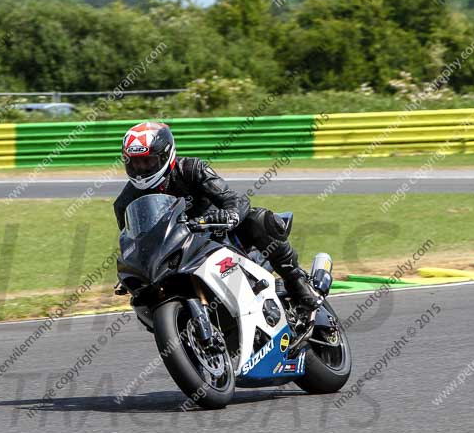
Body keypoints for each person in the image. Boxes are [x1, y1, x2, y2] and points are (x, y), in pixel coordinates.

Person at [113, 121, 320, 311]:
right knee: (143, 297)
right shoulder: (125, 201)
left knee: (258, 219)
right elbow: (134, 241)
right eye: (135, 163)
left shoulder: (191, 170)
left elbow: (235, 200)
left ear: (166, 155)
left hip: (217, 237)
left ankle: (297, 281)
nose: (140, 170)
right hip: (175, 252)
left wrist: (230, 215)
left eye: (147, 162)